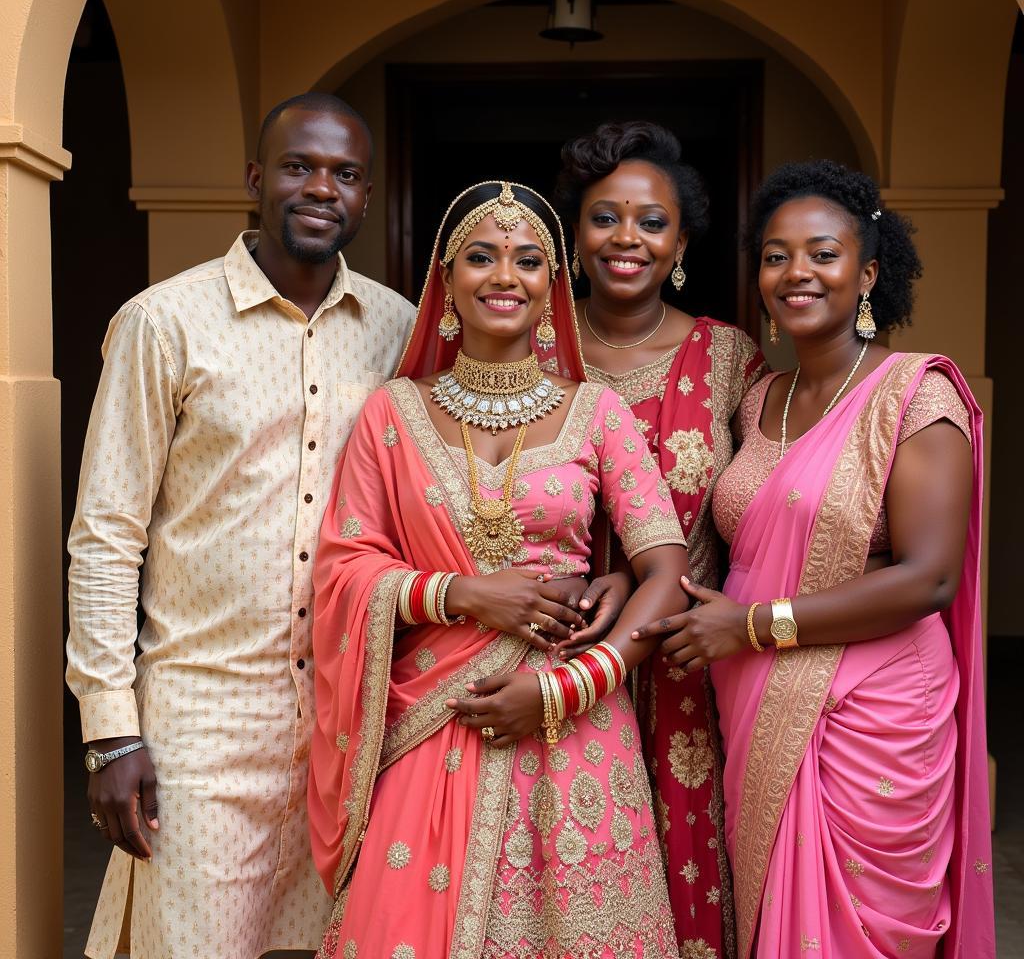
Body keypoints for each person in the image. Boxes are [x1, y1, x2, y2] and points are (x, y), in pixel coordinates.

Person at [65, 92, 416, 958]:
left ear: (367, 198)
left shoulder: (398, 331)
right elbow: (106, 534)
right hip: (202, 725)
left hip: (348, 720)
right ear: (257, 181)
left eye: (345, 174)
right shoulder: (165, 323)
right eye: (300, 167)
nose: (321, 189)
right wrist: (110, 730)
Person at [308, 180, 693, 958]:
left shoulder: (597, 413)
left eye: (527, 261)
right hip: (435, 721)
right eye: (480, 257)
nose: (504, 277)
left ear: (553, 284)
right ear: (446, 281)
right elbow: (345, 569)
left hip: (578, 725)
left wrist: (566, 687)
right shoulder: (392, 413)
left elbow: (668, 575)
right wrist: (460, 593)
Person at [634, 160, 994, 957]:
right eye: (775, 255)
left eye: (822, 254)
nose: (796, 272)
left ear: (867, 273)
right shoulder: (761, 397)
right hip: (754, 698)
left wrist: (757, 626)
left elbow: (929, 577)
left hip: (872, 711)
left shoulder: (917, 395)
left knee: (852, 928)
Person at [555, 120, 765, 956]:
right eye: (605, 217)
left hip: (686, 677)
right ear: (574, 232)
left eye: (651, 221)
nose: (626, 239)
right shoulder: (524, 347)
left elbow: (766, 513)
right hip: (552, 661)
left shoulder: (730, 360)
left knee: (687, 889)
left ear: (680, 239)